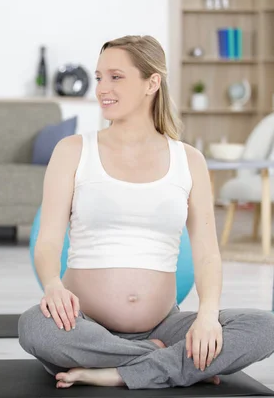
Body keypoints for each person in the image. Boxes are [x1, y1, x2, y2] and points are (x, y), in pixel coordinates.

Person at [18, 35, 274, 390]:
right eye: (99, 77)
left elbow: (207, 254)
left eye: (116, 77)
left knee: (265, 328)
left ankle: (118, 370)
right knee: (35, 328)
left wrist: (207, 316)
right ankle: (164, 363)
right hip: (84, 324)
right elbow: (47, 241)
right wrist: (52, 286)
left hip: (165, 326)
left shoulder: (189, 160)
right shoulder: (73, 151)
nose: (102, 88)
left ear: (152, 82)